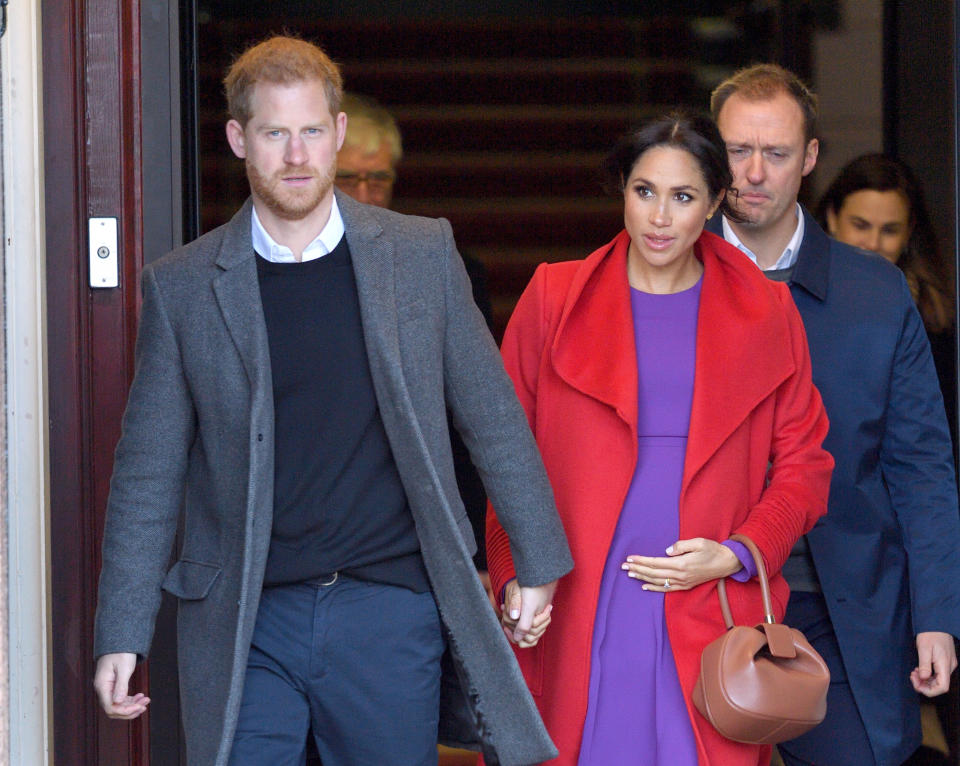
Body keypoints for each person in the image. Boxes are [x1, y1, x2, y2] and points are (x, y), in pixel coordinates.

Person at [91, 35, 573, 766]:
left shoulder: (419, 256)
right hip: (246, 617)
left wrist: (535, 559)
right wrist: (122, 630)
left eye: (312, 130)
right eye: (274, 133)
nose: (295, 154)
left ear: (339, 134)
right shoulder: (184, 287)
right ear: (237, 140)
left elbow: (492, 416)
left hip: (387, 606)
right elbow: (148, 473)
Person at [486, 111, 833, 766]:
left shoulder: (768, 313)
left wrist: (737, 553)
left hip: (704, 605)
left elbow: (805, 463)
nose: (660, 217)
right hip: (578, 602)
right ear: (622, 190)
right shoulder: (553, 297)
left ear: (714, 204)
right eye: (644, 191)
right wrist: (515, 575)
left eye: (683, 197)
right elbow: (507, 459)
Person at [707, 63, 960, 766]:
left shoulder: (875, 293)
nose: (754, 173)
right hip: (699, 599)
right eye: (736, 150)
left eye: (777, 153)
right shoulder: (666, 271)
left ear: (811, 158)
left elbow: (921, 468)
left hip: (842, 608)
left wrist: (938, 615)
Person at [334, 92, 496, 591]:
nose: (365, 194)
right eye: (348, 179)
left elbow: (472, 423)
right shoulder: (281, 275)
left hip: (419, 533)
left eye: (378, 178)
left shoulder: (447, 271)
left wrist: (481, 556)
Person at [817, 153, 957, 454]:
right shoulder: (798, 297)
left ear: (908, 234)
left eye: (889, 230)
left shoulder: (933, 320)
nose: (873, 243)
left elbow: (934, 440)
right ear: (832, 219)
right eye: (860, 225)